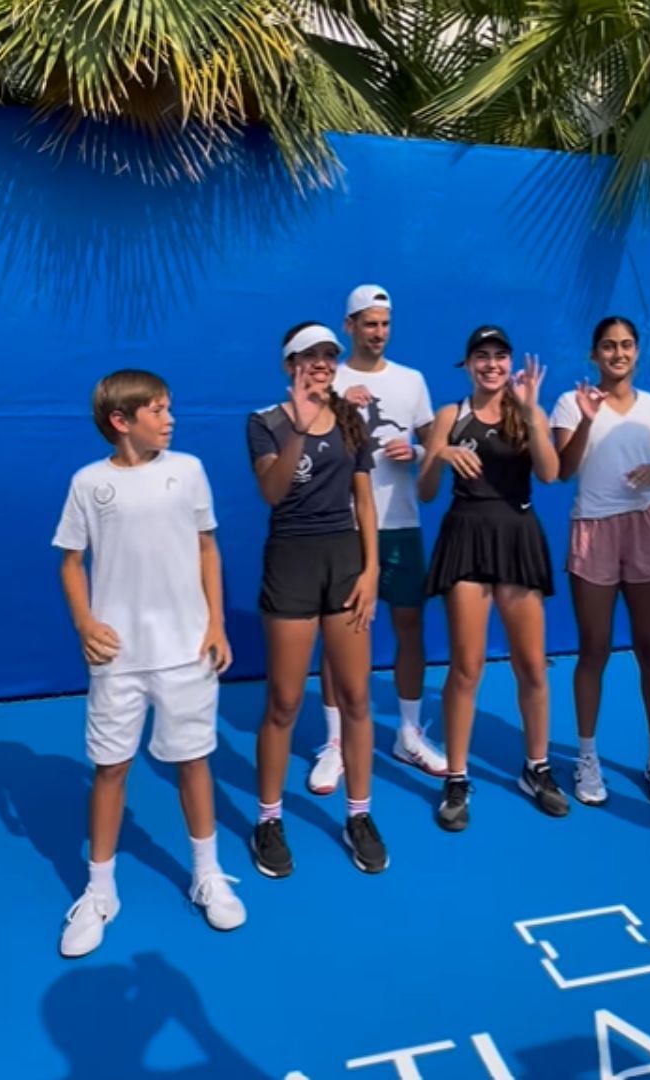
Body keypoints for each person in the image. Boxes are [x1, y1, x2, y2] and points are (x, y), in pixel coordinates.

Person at [53, 369, 244, 958]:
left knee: (193, 761)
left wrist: (216, 623)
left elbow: (208, 549)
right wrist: (86, 624)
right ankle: (99, 890)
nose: (170, 418)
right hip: (118, 657)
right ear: (122, 420)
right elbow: (70, 562)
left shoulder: (187, 471)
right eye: (158, 410)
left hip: (186, 650)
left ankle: (207, 875)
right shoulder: (88, 483)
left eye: (169, 408)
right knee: (110, 768)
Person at [247, 324, 386, 876]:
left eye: (330, 356)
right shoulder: (264, 423)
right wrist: (300, 430)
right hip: (291, 563)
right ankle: (269, 819)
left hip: (346, 563)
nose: (324, 364)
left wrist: (372, 570)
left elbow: (365, 502)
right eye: (311, 357)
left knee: (355, 698)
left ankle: (359, 815)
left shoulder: (351, 419)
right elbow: (272, 491)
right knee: (283, 702)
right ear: (290, 365)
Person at [419, 326, 568, 831]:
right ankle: (456, 778)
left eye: (500, 357)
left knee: (531, 666)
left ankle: (537, 768)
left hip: (517, 538)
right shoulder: (449, 416)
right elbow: (424, 492)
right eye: (481, 356)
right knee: (466, 666)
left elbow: (549, 474)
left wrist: (530, 413)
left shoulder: (529, 412)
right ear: (467, 364)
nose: (491, 365)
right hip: (465, 538)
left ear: (510, 365)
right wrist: (437, 454)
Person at [312, 285, 446, 797]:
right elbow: (304, 431)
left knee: (409, 625)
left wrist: (417, 447)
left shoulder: (412, 381)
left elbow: (439, 438)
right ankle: (334, 742)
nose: (379, 332)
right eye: (369, 323)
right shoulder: (329, 379)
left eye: (385, 323)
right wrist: (337, 404)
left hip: (401, 524)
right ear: (349, 326)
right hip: (340, 528)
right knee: (340, 634)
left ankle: (408, 734)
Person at [549, 316, 650, 807]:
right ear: (594, 354)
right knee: (594, 649)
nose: (618, 353)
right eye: (608, 346)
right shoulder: (571, 402)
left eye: (626, 345)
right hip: (593, 532)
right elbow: (562, 470)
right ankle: (587, 758)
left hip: (646, 528)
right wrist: (586, 418)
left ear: (637, 352)